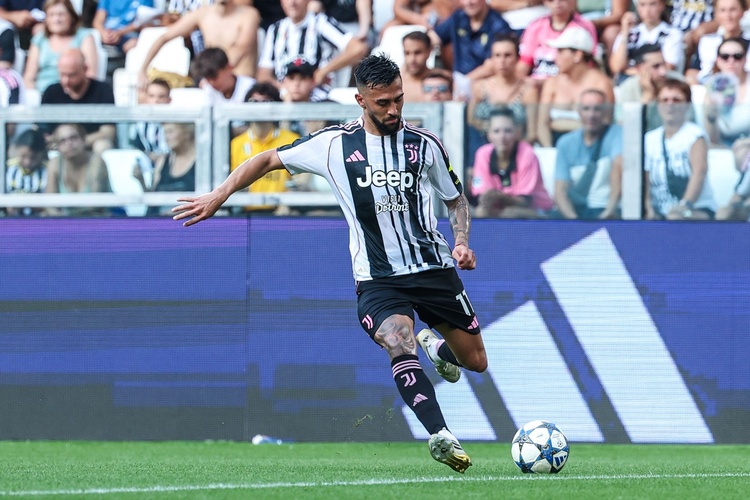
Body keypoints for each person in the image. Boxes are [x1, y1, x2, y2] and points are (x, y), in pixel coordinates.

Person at [172, 54, 487, 474]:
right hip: (378, 277)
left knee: (475, 361)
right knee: (397, 340)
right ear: (360, 100)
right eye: (382, 103)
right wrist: (219, 194)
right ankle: (440, 433)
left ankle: (437, 346)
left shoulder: (425, 144)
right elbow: (265, 159)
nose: (393, 110)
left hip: (433, 269)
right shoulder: (334, 144)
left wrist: (462, 242)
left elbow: (454, 198)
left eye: (398, 99)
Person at [136, 0, 261, 88]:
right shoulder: (202, 14)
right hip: (211, 82)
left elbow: (240, 49)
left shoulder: (249, 15)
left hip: (239, 83)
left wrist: (215, 77)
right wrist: (142, 69)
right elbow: (164, 37)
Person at [644, 78, 715, 219]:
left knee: (675, 219)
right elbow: (645, 180)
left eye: (676, 100)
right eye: (664, 100)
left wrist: (684, 206)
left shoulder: (695, 135)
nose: (670, 104)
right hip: (659, 212)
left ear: (687, 105)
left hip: (695, 209)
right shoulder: (649, 139)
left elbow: (699, 173)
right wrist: (648, 208)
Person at [257, 0, 368, 88]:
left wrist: (323, 71)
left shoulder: (321, 23)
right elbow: (263, 75)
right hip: (284, 97)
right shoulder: (275, 29)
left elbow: (358, 48)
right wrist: (285, 89)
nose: (292, 2)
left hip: (318, 95)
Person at [230, 82, 302, 214]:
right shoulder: (236, 144)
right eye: (253, 102)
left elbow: (300, 181)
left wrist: (287, 203)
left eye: (266, 101)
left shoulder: (292, 140)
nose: (259, 107)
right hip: (244, 214)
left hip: (283, 213)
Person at [537, 28, 615, 147]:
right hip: (553, 145)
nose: (556, 58)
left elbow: (604, 125)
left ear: (577, 55)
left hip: (590, 146)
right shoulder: (552, 83)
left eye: (561, 51)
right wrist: (549, 150)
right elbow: (542, 124)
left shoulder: (601, 84)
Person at [553, 89, 623, 219]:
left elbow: (618, 169)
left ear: (605, 112)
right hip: (576, 211)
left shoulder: (617, 134)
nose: (591, 115)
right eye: (586, 109)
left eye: (597, 109)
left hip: (605, 210)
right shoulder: (565, 143)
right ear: (578, 111)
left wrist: (607, 213)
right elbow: (560, 190)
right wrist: (574, 221)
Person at [471, 107, 552, 218]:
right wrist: (486, 197)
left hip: (536, 210)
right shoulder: (483, 153)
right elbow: (482, 195)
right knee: (481, 212)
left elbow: (524, 202)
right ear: (489, 134)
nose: (502, 137)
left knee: (509, 214)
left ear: (517, 133)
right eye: (496, 131)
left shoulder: (527, 154)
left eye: (507, 131)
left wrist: (499, 197)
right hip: (498, 208)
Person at [428, 0, 512, 98]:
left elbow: (492, 65)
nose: (468, 2)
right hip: (456, 81)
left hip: (485, 84)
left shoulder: (499, 26)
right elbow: (433, 38)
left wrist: (463, 82)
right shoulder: (459, 17)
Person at [41, 48, 116, 154]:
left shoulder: (103, 90)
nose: (65, 81)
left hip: (91, 149)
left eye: (71, 75)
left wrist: (76, 143)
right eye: (62, 75)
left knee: (102, 145)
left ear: (85, 69)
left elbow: (108, 132)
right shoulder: (51, 92)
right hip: (58, 149)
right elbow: (42, 130)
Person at [467, 33, 539, 144]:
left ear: (517, 58)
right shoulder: (479, 87)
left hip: (517, 148)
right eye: (497, 55)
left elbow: (532, 133)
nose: (502, 60)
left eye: (507, 55)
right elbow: (470, 122)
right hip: (481, 146)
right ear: (491, 59)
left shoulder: (528, 91)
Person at [24, 0, 98, 93]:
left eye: (61, 15)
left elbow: (90, 75)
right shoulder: (39, 39)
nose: (56, 20)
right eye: (51, 15)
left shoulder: (84, 37)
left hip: (74, 94)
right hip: (41, 94)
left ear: (71, 16)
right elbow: (29, 78)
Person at [516, 0, 598, 82]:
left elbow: (589, 64)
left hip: (570, 82)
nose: (557, 2)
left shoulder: (585, 27)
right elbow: (525, 62)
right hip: (536, 82)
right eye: (551, 0)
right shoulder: (535, 26)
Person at [615, 43, 688, 131]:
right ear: (639, 69)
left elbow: (689, 118)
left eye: (664, 64)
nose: (663, 72)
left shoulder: (678, 81)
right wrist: (648, 95)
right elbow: (624, 126)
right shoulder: (628, 88)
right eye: (656, 66)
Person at [45, 123, 111, 216]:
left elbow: (94, 205)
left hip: (97, 219)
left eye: (73, 138)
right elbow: (49, 204)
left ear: (83, 139)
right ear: (57, 146)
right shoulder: (55, 164)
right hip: (65, 220)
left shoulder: (96, 162)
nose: (69, 143)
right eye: (62, 141)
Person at [608, 0, 684, 82]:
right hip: (629, 81)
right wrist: (625, 34)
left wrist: (627, 71)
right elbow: (616, 67)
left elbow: (668, 68)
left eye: (652, 4)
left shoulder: (672, 34)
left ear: (662, 6)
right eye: (642, 5)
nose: (647, 10)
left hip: (661, 83)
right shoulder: (630, 32)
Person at [134, 122, 196, 216]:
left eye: (170, 132)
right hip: (159, 220)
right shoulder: (162, 161)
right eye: (165, 133)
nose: (166, 137)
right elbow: (152, 200)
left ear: (187, 133)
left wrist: (177, 211)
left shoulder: (202, 162)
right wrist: (141, 180)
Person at [685, 0, 749, 85]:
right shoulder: (706, 41)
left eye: (733, 10)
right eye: (722, 10)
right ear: (716, 14)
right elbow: (693, 70)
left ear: (742, 12)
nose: (728, 16)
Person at [702, 38, 750, 148]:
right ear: (718, 61)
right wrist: (711, 115)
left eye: (737, 56)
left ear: (744, 60)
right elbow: (711, 137)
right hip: (723, 147)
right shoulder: (712, 86)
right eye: (725, 56)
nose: (731, 61)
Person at [4, 128, 47, 216]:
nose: (28, 162)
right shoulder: (7, 169)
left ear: (42, 153)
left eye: (33, 157)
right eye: (23, 156)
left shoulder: (48, 171)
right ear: (16, 149)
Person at [130, 78, 171, 164]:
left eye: (161, 96)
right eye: (151, 96)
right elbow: (136, 150)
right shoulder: (141, 125)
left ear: (169, 100)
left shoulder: (177, 125)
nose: (156, 100)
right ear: (146, 99)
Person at [400, 30, 433, 102]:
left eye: (417, 53)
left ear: (429, 52)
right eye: (407, 53)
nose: (412, 59)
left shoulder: (440, 80)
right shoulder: (394, 83)